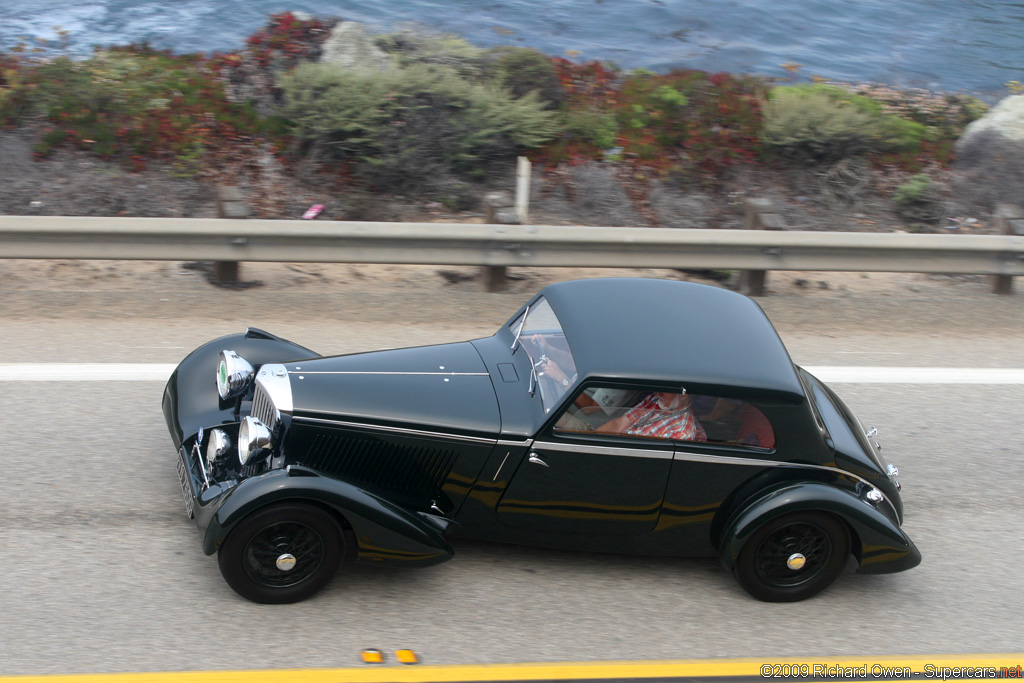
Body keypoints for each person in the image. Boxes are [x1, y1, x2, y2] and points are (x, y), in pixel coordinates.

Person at [595, 390, 706, 441]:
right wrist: (593, 439)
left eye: (664, 391)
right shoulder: (656, 400)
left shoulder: (680, 432)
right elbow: (618, 424)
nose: (658, 393)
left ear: (683, 396)